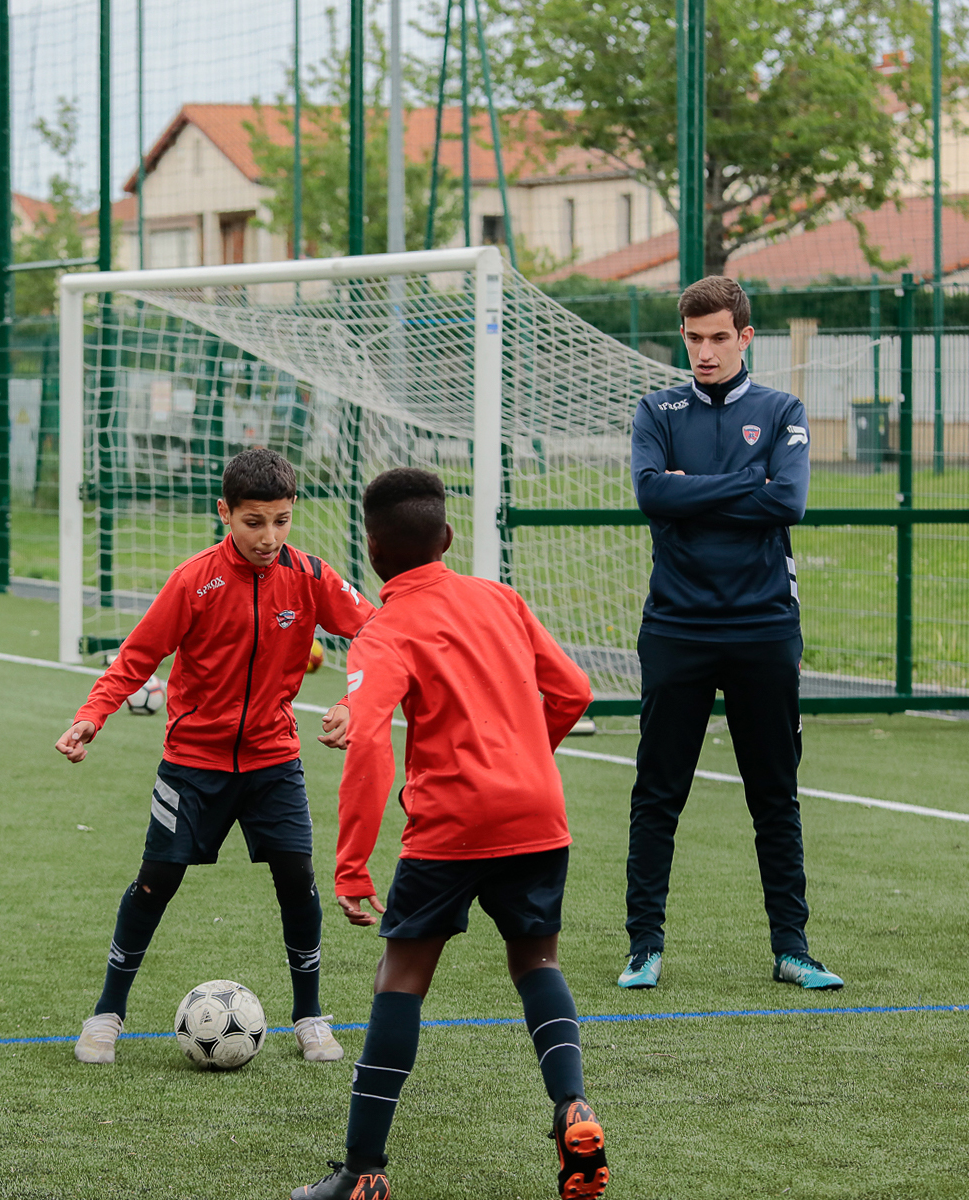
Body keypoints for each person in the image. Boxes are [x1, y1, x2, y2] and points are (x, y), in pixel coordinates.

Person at [292, 468, 606, 1200]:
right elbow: (574, 692)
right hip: (538, 813)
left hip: (451, 828)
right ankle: (572, 1106)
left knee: (400, 981)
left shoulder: (384, 629)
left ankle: (362, 1173)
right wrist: (524, 761)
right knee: (536, 964)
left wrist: (350, 867)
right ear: (449, 536)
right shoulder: (500, 598)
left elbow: (367, 743)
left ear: (371, 552)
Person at [55, 447, 375, 1065]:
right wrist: (92, 715)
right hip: (193, 765)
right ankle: (106, 1015)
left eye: (281, 520)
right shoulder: (193, 579)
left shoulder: (310, 576)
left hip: (273, 760)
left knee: (297, 877)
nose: (268, 537)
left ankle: (309, 1017)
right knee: (155, 882)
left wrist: (356, 700)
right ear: (225, 512)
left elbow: (377, 635)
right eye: (254, 521)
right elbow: (136, 657)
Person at [618, 274, 842, 992]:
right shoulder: (658, 408)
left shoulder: (783, 410)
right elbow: (653, 492)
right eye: (693, 338)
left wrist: (697, 489)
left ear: (746, 337)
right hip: (676, 626)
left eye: (719, 337)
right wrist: (746, 483)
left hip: (763, 626)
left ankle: (792, 948)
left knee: (774, 794)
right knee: (659, 791)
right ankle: (643, 947)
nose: (705, 351)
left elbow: (791, 500)